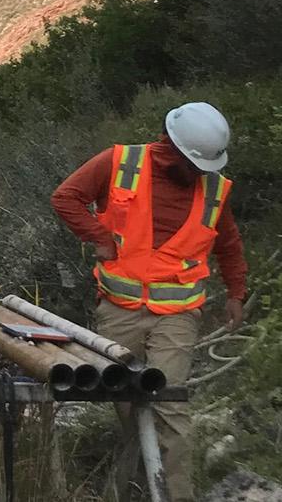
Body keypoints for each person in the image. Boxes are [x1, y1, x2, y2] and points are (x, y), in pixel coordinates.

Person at [51, 102, 247, 501]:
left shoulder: (214, 189)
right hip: (119, 311)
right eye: (193, 166)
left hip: (177, 316)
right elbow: (66, 197)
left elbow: (229, 245)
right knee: (129, 408)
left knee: (167, 404)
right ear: (171, 147)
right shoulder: (119, 162)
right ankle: (135, 490)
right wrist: (98, 237)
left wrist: (236, 293)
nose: (198, 175)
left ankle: (176, 496)